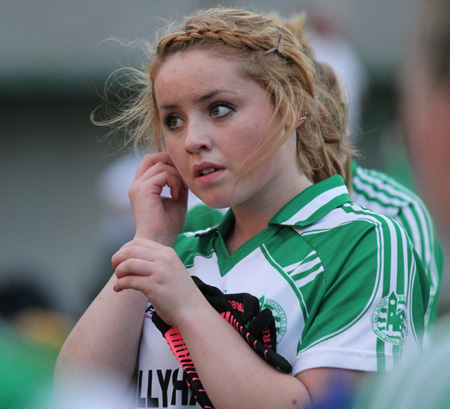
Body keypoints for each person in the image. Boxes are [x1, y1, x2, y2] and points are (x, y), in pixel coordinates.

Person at [55, 8, 430, 409]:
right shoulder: (178, 243)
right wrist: (150, 239)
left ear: (293, 107)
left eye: (218, 109)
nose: (192, 140)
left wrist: (188, 308)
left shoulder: (365, 242)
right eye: (174, 120)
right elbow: (80, 390)